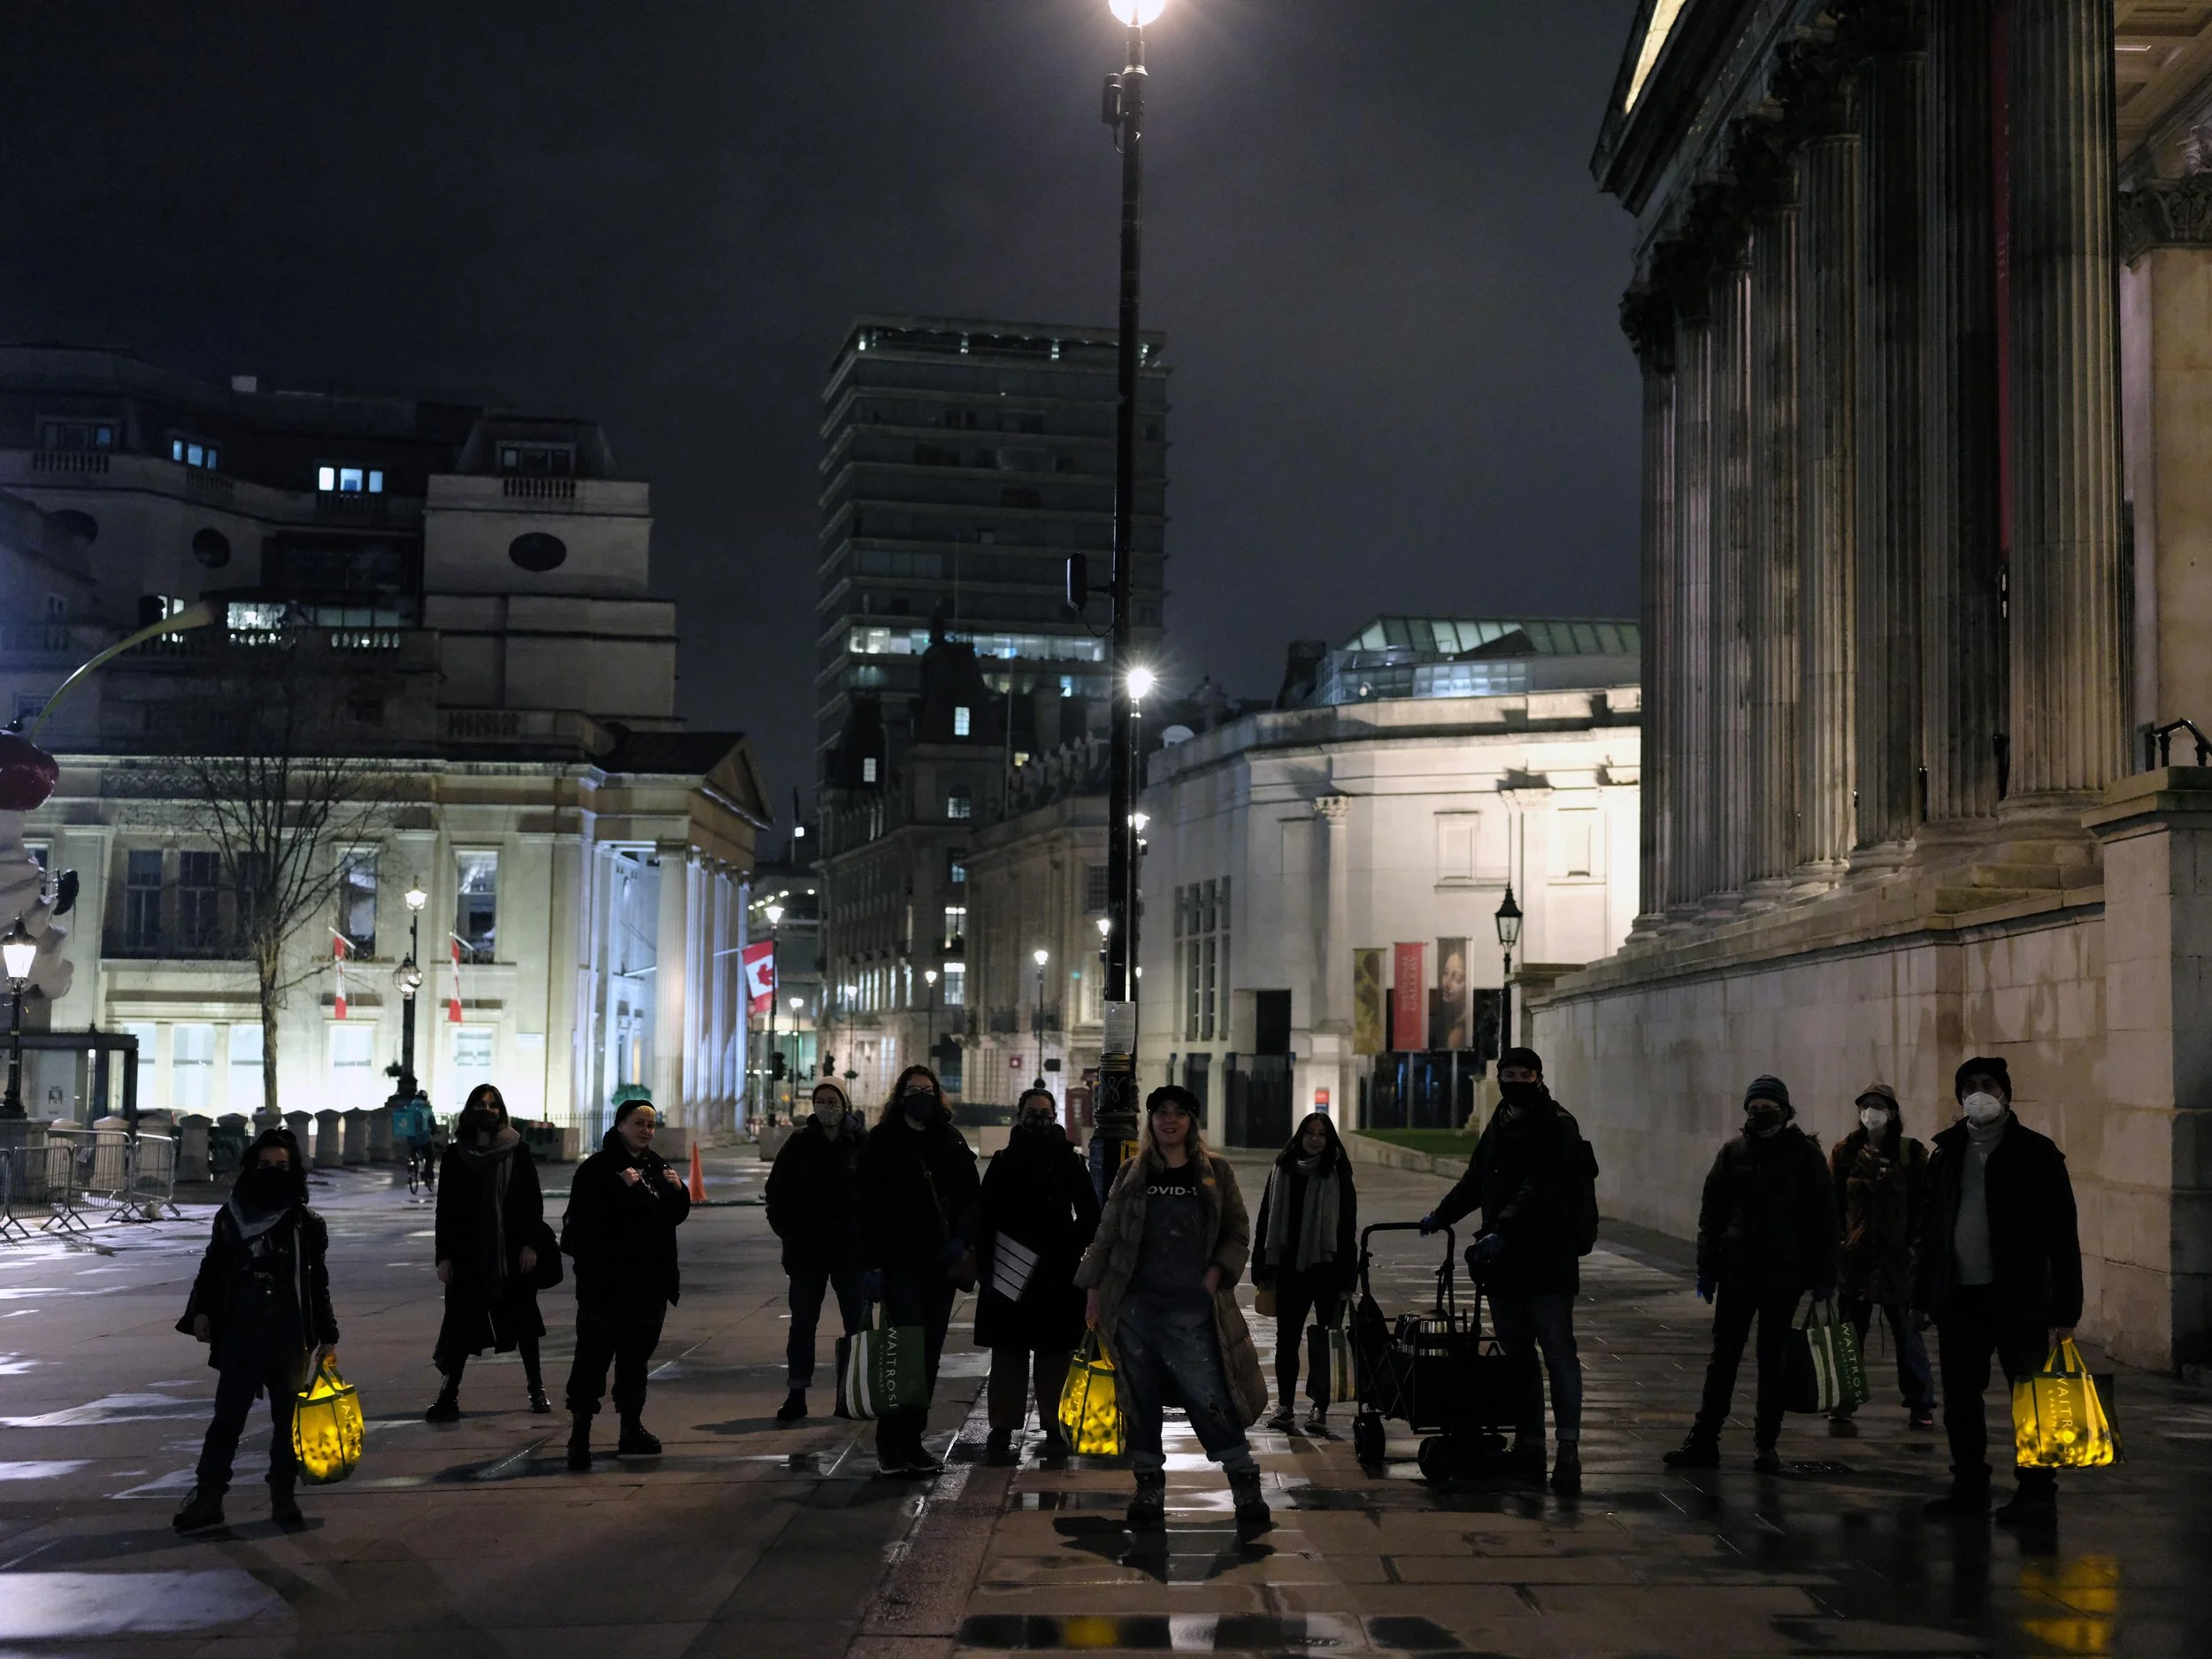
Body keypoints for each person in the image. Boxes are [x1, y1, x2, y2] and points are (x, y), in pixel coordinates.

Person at [1074, 1085, 1271, 1533]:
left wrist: (1219, 1272)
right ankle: (1148, 1489)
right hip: (1136, 1312)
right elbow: (1106, 1234)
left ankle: (1245, 1486)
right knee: (1139, 1401)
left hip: (1194, 1313)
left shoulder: (1214, 1172)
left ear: (1191, 1121)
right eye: (1161, 1113)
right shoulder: (1133, 1171)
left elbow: (1238, 1232)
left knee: (1211, 1398)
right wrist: (1092, 1290)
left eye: (1179, 1113)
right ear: (1150, 1121)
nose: (1169, 1120)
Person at [1916, 1056, 2083, 1528]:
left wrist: (2066, 1307)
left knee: (2030, 1398)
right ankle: (1969, 1486)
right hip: (1961, 1297)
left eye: (1988, 1084)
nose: (1979, 1092)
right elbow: (1931, 1228)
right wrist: (1923, 1294)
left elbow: (2063, 1234)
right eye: (1969, 1086)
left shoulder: (2037, 1153)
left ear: (2006, 1093)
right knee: (1961, 1400)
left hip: (2020, 1297)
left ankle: (2036, 1492)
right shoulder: (1946, 1153)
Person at [1419, 1046, 1587, 1493]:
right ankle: (1529, 1444)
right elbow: (1478, 1179)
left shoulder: (1557, 1124)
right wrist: (1442, 1215)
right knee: (1517, 1357)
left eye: (1524, 1073)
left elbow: (1543, 1187)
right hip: (1506, 1263)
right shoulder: (1500, 1122)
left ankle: (1567, 1449)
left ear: (1538, 1075)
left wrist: (1505, 1231)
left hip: (1547, 1259)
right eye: (1509, 1073)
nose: (1516, 1080)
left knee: (1557, 1353)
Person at [1663, 1075, 1837, 1473]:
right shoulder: (1733, 1153)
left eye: (1767, 1107)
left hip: (1784, 1275)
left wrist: (1825, 1275)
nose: (1761, 1114)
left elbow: (1825, 1219)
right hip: (1739, 1271)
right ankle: (1704, 1440)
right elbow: (1712, 1215)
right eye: (1754, 1108)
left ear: (1785, 1109)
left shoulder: (1805, 1156)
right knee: (1723, 1358)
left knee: (1771, 1360)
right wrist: (1706, 1267)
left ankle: (1766, 1445)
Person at [172, 1128, 339, 1532]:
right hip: (242, 1331)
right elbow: (212, 1268)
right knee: (227, 1419)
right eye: (266, 1165)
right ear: (252, 1167)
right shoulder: (231, 1215)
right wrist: (200, 1312)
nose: (273, 1172)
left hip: (288, 1333)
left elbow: (317, 1283)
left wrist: (328, 1335)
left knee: (287, 1422)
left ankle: (283, 1499)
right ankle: (208, 1498)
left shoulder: (305, 1223)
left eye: (282, 1166)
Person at [856, 1064, 980, 1476]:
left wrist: (961, 1241)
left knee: (928, 1356)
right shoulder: (882, 1142)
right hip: (898, 1266)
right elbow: (867, 1207)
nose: (921, 1096)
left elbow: (970, 1197)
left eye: (927, 1089)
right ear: (900, 1095)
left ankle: (913, 1440)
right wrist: (872, 1264)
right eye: (913, 1090)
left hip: (939, 1266)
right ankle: (891, 1445)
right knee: (901, 1355)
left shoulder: (950, 1140)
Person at [562, 1093, 691, 1471]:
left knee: (635, 1359)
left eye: (650, 1125)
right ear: (620, 1126)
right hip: (606, 1285)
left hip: (648, 1284)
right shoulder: (598, 1169)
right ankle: (580, 1434)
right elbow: (587, 1223)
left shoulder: (656, 1166)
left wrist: (678, 1191)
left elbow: (672, 1215)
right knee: (592, 1359)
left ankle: (630, 1427)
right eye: (638, 1124)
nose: (646, 1131)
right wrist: (631, 1191)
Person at [974, 1086, 1101, 1462]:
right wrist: (987, 1265)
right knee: (1009, 1354)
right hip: (1010, 1269)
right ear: (1020, 1116)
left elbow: (1091, 1215)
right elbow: (985, 1216)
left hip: (1056, 1273)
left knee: (1055, 1354)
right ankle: (1001, 1427)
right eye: (1032, 1113)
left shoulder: (1070, 1161)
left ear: (1055, 1116)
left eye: (1046, 1113)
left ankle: (1055, 1425)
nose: (1039, 1119)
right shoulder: (1003, 1160)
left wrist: (1067, 1244)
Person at [426, 1084, 549, 1421]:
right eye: (481, 1104)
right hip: (467, 1254)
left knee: (524, 1322)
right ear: (469, 1110)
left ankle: (536, 1388)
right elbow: (445, 1211)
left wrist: (529, 1246)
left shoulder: (517, 1150)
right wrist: (444, 1256)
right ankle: (449, 1394)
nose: (487, 1110)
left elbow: (532, 1203)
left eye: (493, 1105)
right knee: (460, 1325)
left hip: (510, 1253)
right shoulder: (455, 1156)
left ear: (501, 1110)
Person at [1827, 1082, 1935, 1434]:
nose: (1871, 1112)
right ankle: (1844, 1401)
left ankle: (1920, 1404)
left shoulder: (1910, 1153)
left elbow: (1924, 1205)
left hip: (1897, 1262)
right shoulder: (1845, 1152)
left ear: (1891, 1112)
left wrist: (1916, 1249)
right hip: (1856, 1261)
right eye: (1866, 1105)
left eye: (1879, 1105)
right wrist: (1838, 1244)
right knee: (1848, 1335)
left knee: (1907, 1336)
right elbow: (1833, 1204)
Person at [766, 1079, 867, 1423]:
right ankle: (797, 1392)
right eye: (820, 1100)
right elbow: (775, 1194)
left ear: (845, 1103)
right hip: (807, 1254)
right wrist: (790, 1235)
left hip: (851, 1254)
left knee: (857, 1324)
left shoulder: (862, 1144)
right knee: (803, 1325)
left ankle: (852, 1393)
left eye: (832, 1100)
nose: (826, 1106)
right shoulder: (798, 1143)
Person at [1252, 1111, 1357, 1434]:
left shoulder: (1337, 1169)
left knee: (1325, 1341)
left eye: (1321, 1134)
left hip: (1326, 1268)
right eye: (1309, 1133)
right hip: (1289, 1268)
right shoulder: (1283, 1168)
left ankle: (1319, 1407)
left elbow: (1347, 1226)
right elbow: (1266, 1218)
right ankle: (1284, 1406)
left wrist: (1347, 1280)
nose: (1314, 1139)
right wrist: (1262, 1265)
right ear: (1300, 1135)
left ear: (1329, 1139)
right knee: (1287, 1340)